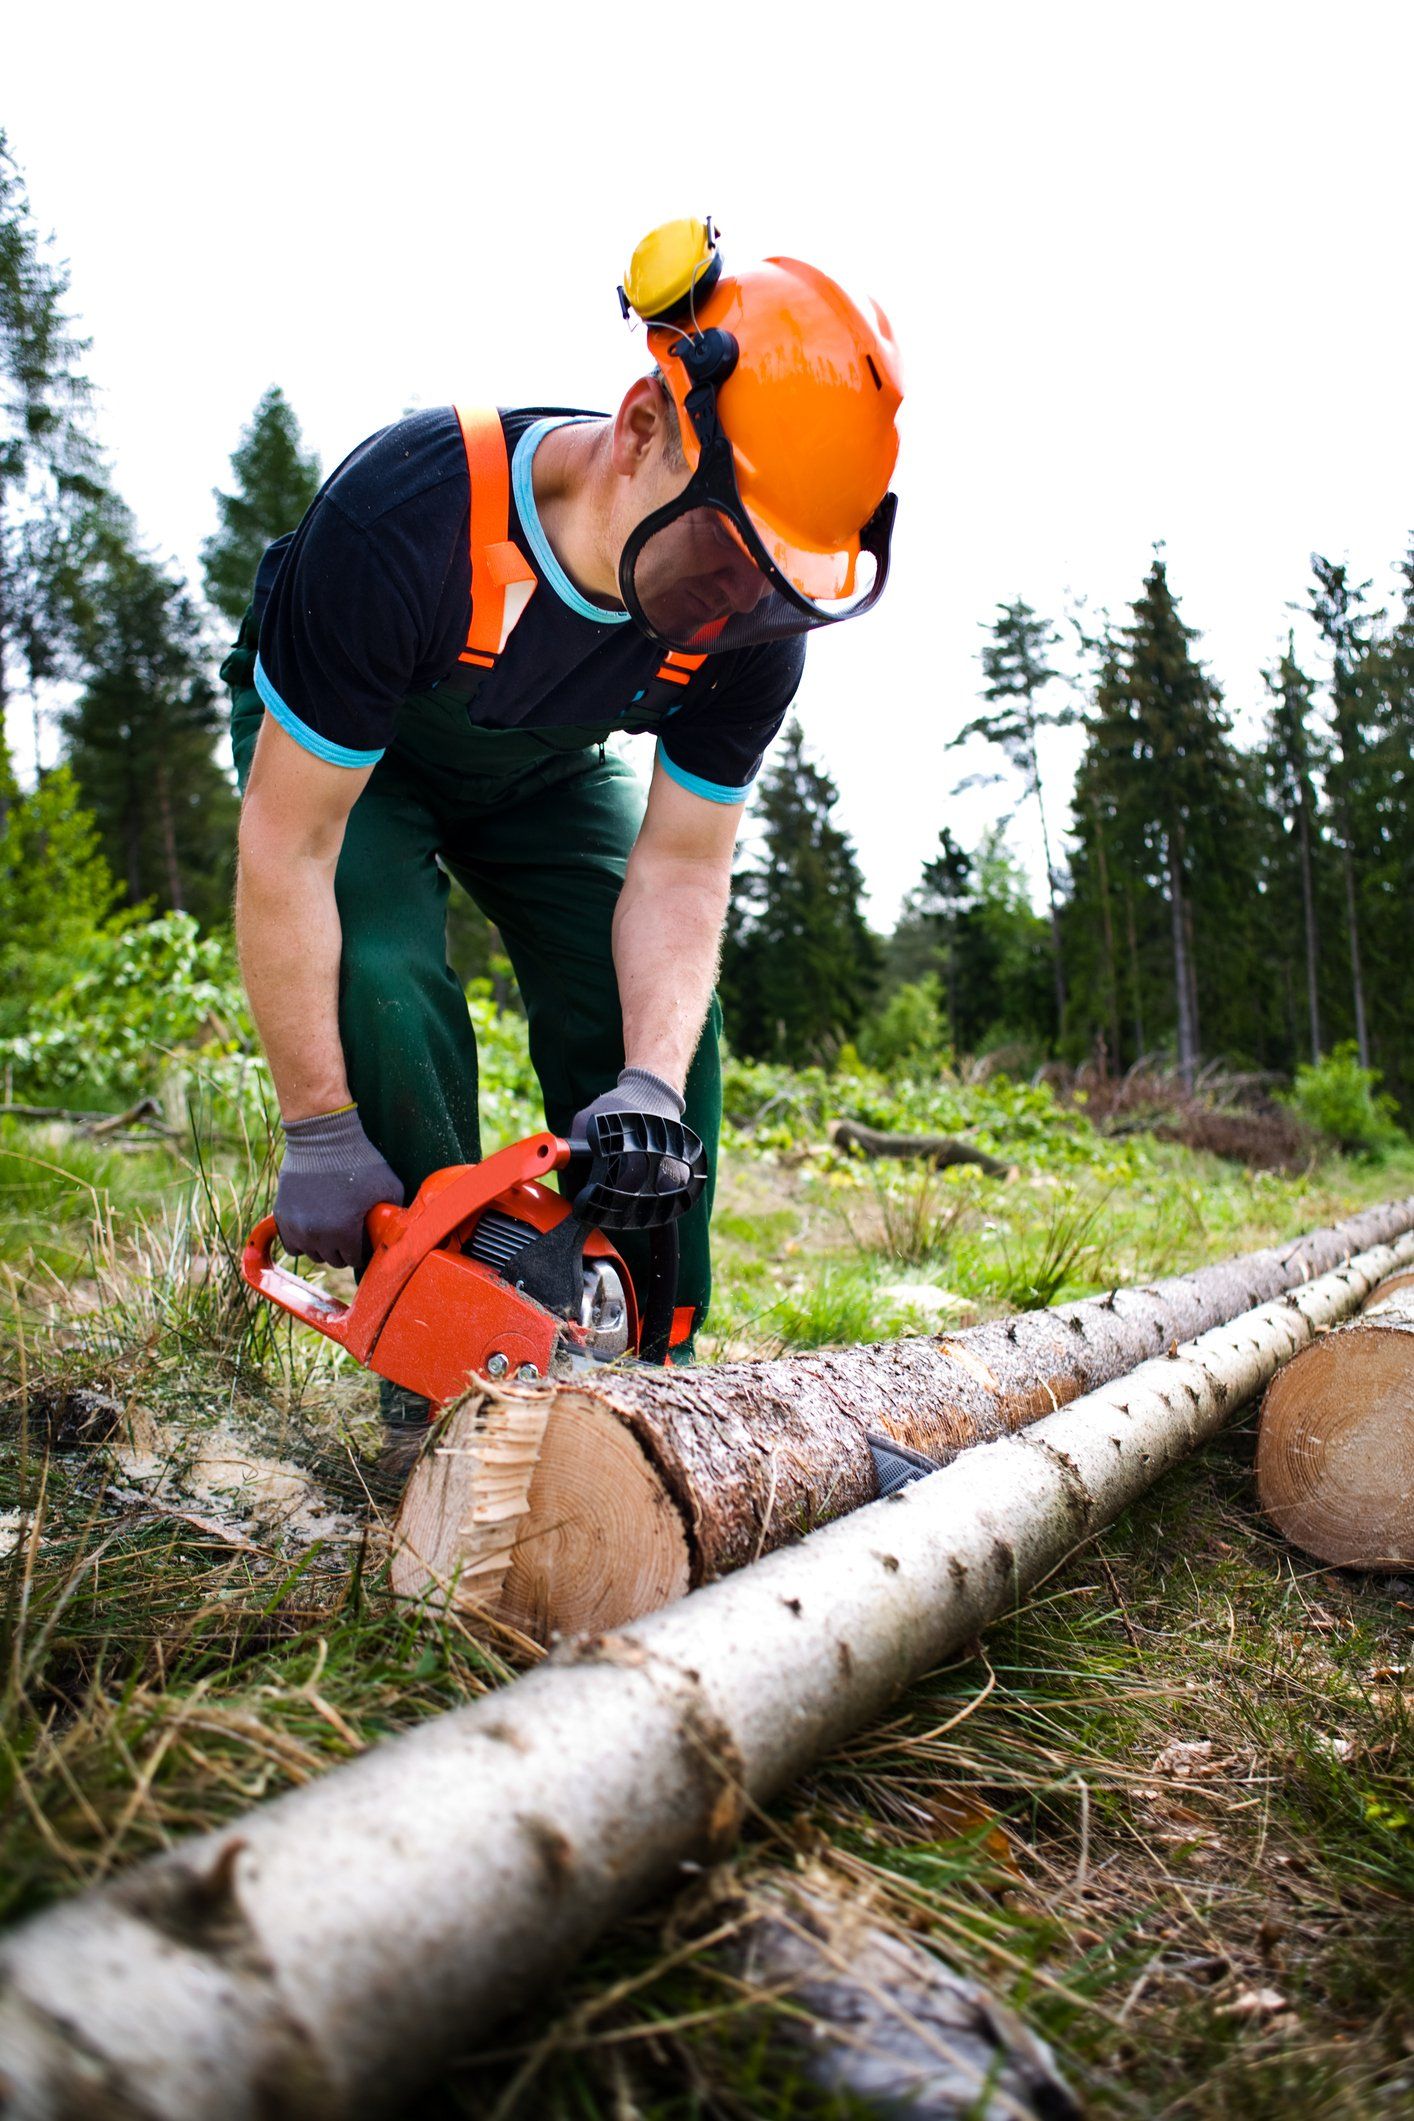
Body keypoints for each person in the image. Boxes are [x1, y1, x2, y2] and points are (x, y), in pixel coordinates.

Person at [222, 218, 902, 1439]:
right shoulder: (413, 522)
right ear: (644, 427)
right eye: (726, 549)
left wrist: (643, 1084)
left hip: (538, 765)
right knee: (380, 976)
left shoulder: (751, 625)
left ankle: (652, 1369)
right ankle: (439, 1359)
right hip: (346, 771)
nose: (741, 599)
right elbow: (290, 845)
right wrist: (319, 1123)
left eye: (776, 576)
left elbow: (684, 867)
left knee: (657, 1027)